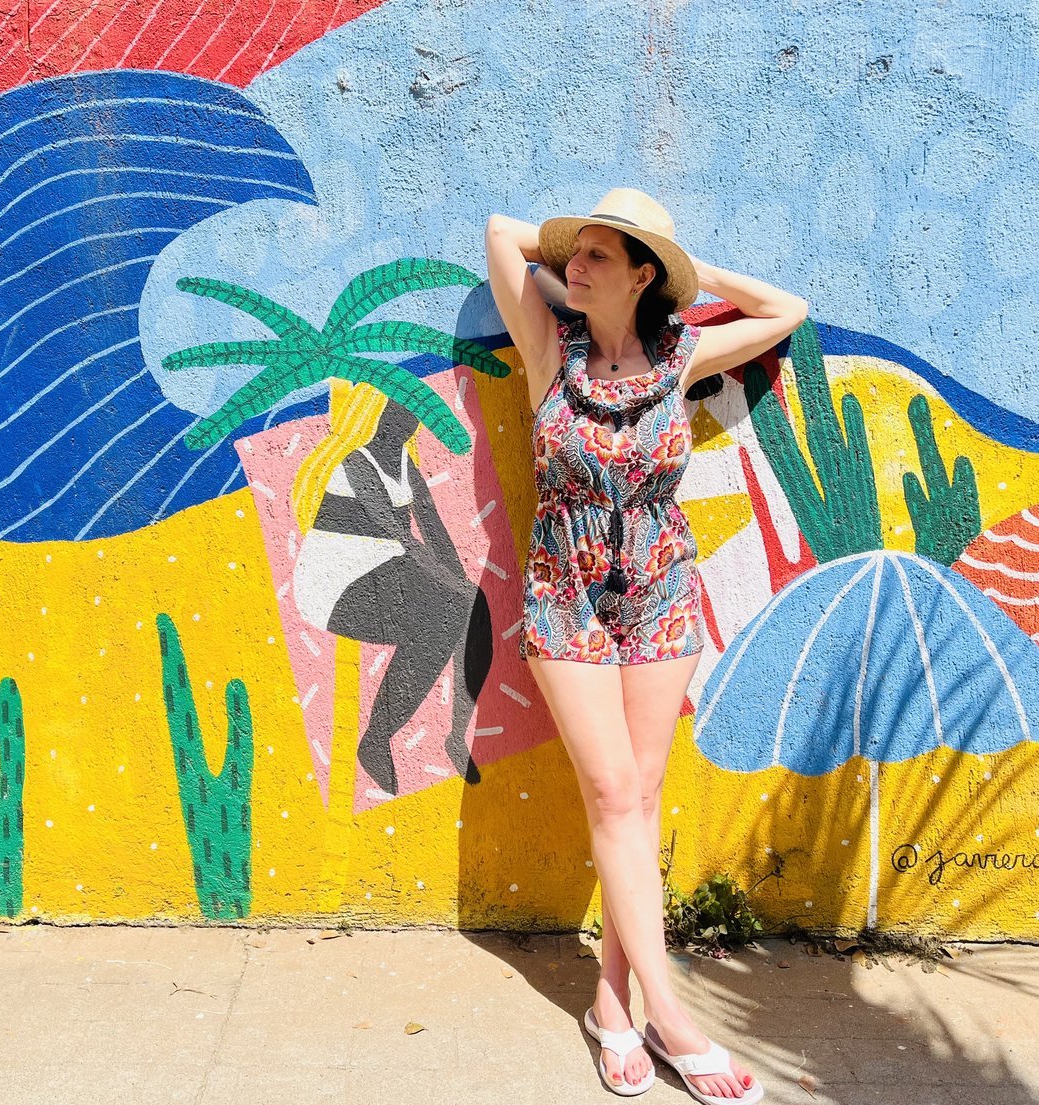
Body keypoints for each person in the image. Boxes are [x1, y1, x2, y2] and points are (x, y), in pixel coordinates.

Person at [486, 188, 806, 1103]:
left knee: (643, 793)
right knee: (613, 789)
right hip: (566, 588)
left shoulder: (686, 352)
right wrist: (565, 261)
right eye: (573, 254)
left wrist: (689, 273)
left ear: (642, 277)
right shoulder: (550, 347)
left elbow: (787, 312)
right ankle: (674, 1016)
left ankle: (612, 1005)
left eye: (596, 258)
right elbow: (502, 235)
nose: (573, 269)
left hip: (662, 587)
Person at [290, 379, 491, 795]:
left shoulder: (405, 467)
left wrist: (466, 590)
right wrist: (454, 590)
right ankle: (377, 737)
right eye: (398, 409)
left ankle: (456, 734)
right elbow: (402, 537)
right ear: (377, 414)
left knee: (472, 609)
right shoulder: (357, 464)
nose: (407, 418)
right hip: (335, 584)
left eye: (412, 412)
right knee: (447, 611)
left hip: (387, 569)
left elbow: (434, 535)